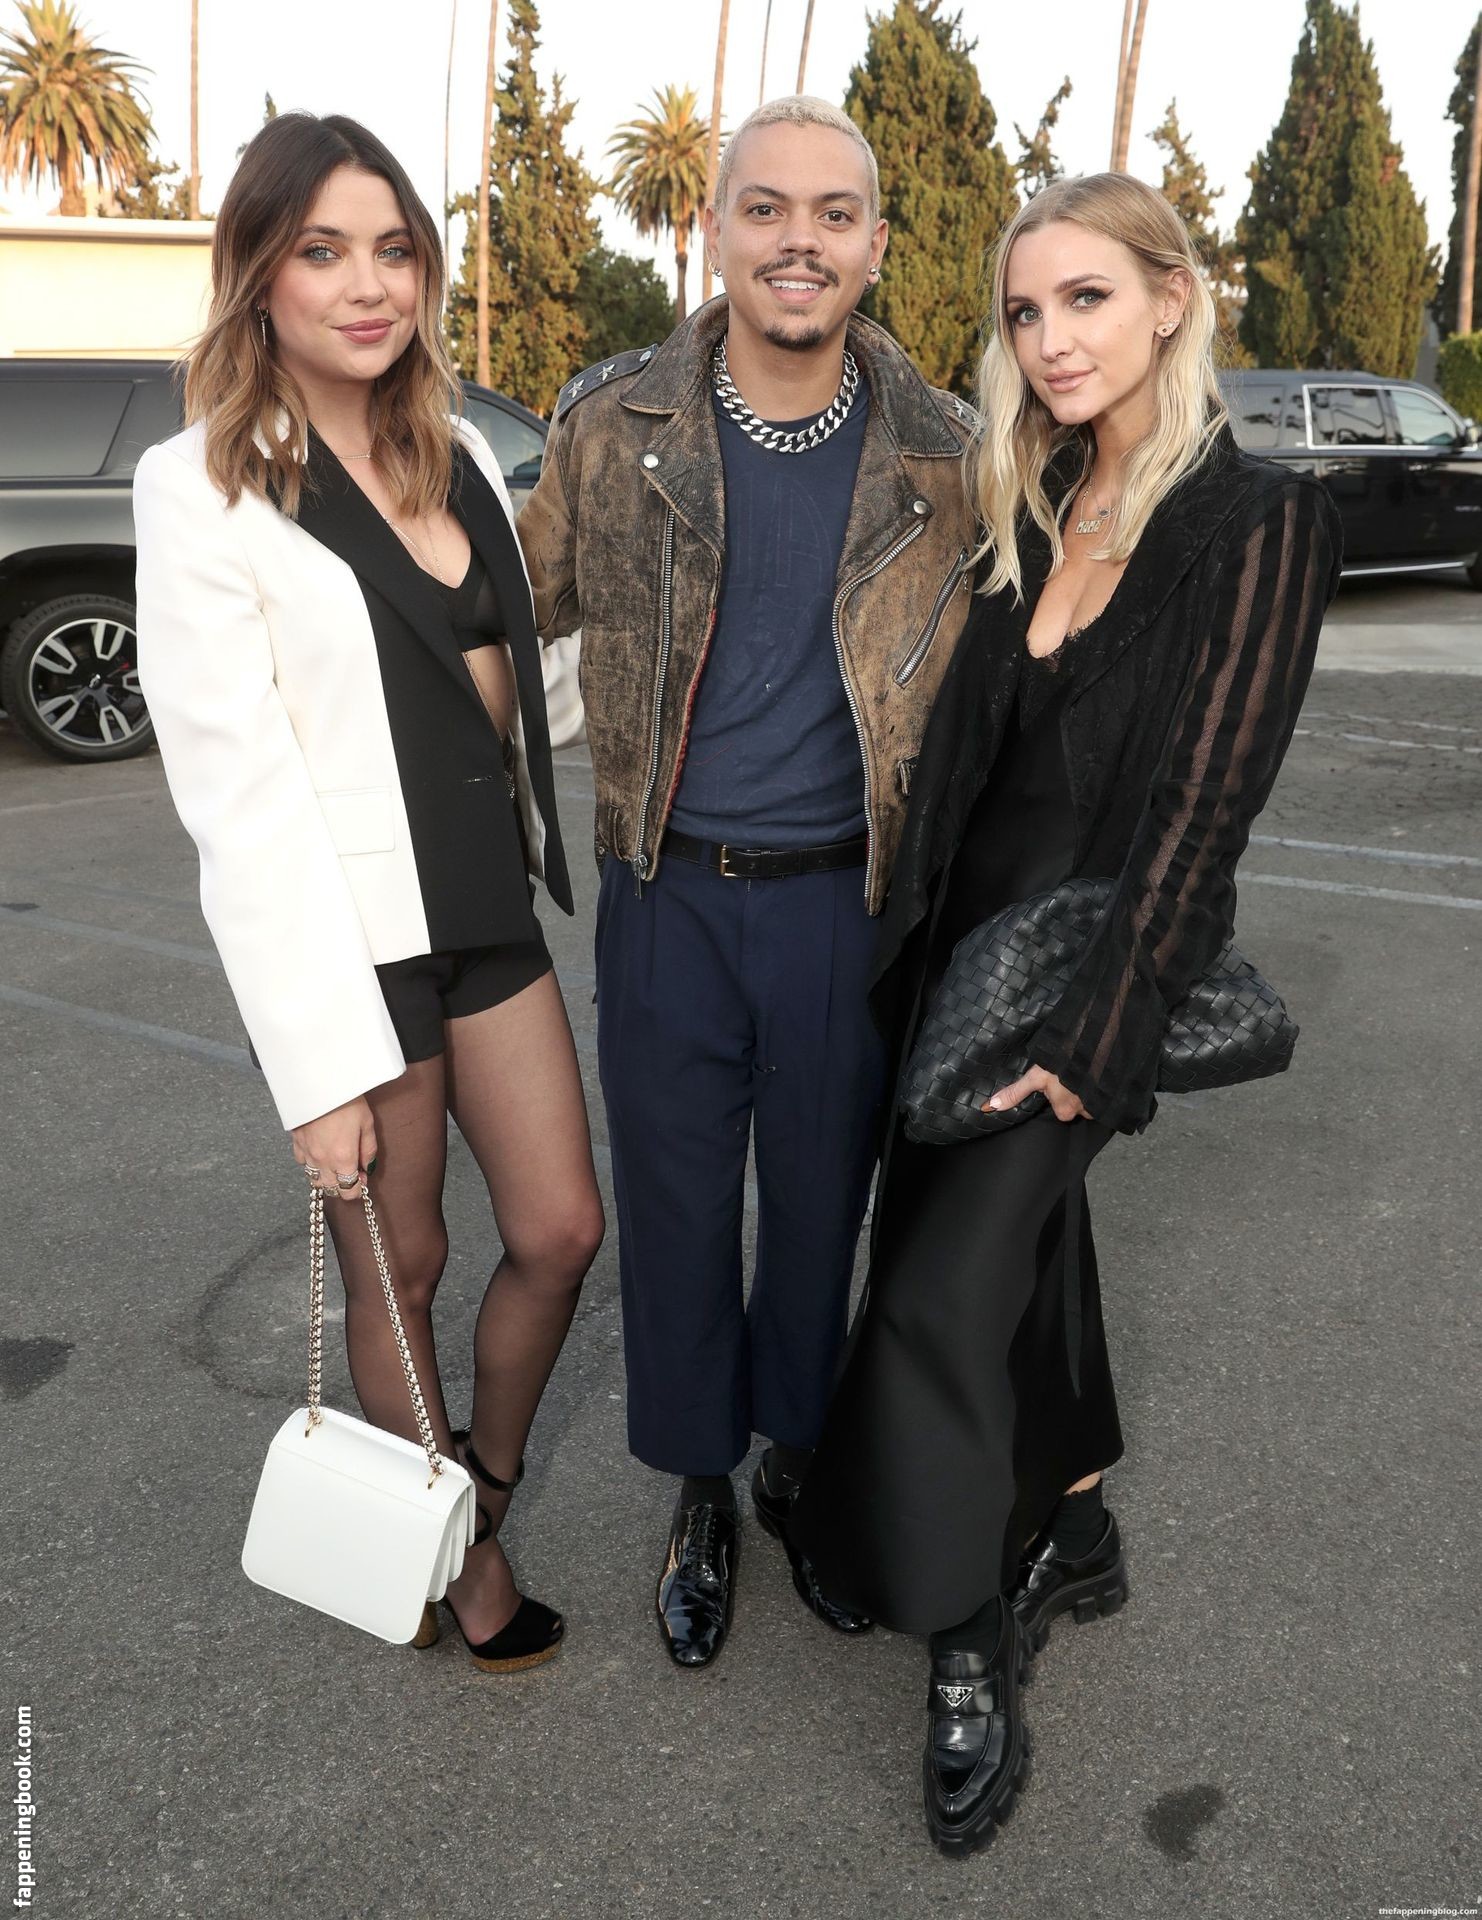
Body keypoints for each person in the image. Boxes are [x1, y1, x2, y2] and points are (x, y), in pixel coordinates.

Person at [791, 173, 1342, 1852]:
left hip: (1086, 978)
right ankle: (1078, 1531)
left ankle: (969, 1634)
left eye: (1085, 298)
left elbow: (1204, 808)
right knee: (1002, 1253)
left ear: (1171, 298)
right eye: (1024, 311)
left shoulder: (1254, 523)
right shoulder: (1026, 498)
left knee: (937, 1300)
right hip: (950, 951)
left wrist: (1095, 1043)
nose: (1049, 339)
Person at [132, 113, 604, 1674]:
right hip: (350, 951)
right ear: (258, 276)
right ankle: (466, 1569)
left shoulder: (454, 452)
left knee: (558, 1230)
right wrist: (316, 1068)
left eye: (393, 249)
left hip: (486, 913)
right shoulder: (199, 487)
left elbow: (511, 685)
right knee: (399, 1274)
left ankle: (477, 1485)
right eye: (322, 251)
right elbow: (236, 796)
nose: (366, 284)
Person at [518, 96, 978, 1667]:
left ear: (875, 243)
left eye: (832, 213)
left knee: (819, 1206)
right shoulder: (611, 427)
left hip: (849, 902)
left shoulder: (947, 452)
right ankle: (699, 1484)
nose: (798, 239)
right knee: (674, 1208)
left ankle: (796, 1461)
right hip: (668, 896)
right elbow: (498, 611)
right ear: (710, 228)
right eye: (765, 207)